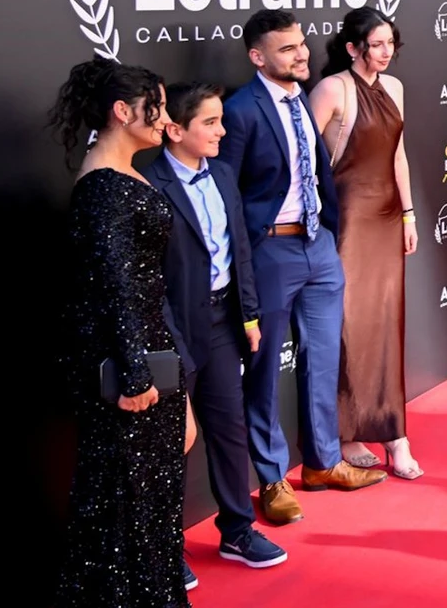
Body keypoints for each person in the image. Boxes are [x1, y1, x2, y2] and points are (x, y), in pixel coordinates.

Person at [221, 10, 385, 528]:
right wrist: (247, 259)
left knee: (323, 360)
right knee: (264, 368)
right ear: (257, 57)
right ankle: (272, 478)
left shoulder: (302, 99)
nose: (301, 54)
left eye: (302, 44)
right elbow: (228, 195)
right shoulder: (240, 111)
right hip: (269, 252)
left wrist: (328, 235)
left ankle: (321, 462)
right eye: (287, 48)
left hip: (318, 248)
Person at [51, 58, 189, 605]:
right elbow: (115, 287)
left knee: (147, 503)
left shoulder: (124, 174)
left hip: (148, 356)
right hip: (129, 371)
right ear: (122, 111)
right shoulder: (104, 189)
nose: (165, 120)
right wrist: (135, 376)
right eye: (156, 107)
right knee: (122, 506)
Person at [142, 82, 287, 576]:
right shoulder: (147, 182)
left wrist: (249, 314)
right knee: (171, 440)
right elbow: (146, 276)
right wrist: (164, 340)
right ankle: (164, 549)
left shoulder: (223, 173)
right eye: (210, 122)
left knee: (229, 428)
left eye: (221, 120)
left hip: (225, 320)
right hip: (171, 328)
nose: (222, 131)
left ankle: (237, 531)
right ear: (174, 129)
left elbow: (239, 250)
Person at [308, 7, 421, 480]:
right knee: (350, 323)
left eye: (390, 42)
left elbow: (398, 155)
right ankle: (347, 430)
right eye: (376, 44)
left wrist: (409, 213)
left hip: (387, 216)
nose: (386, 51)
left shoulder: (394, 87)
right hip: (348, 217)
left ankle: (394, 432)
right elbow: (305, 158)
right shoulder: (333, 88)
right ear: (353, 47)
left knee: (386, 321)